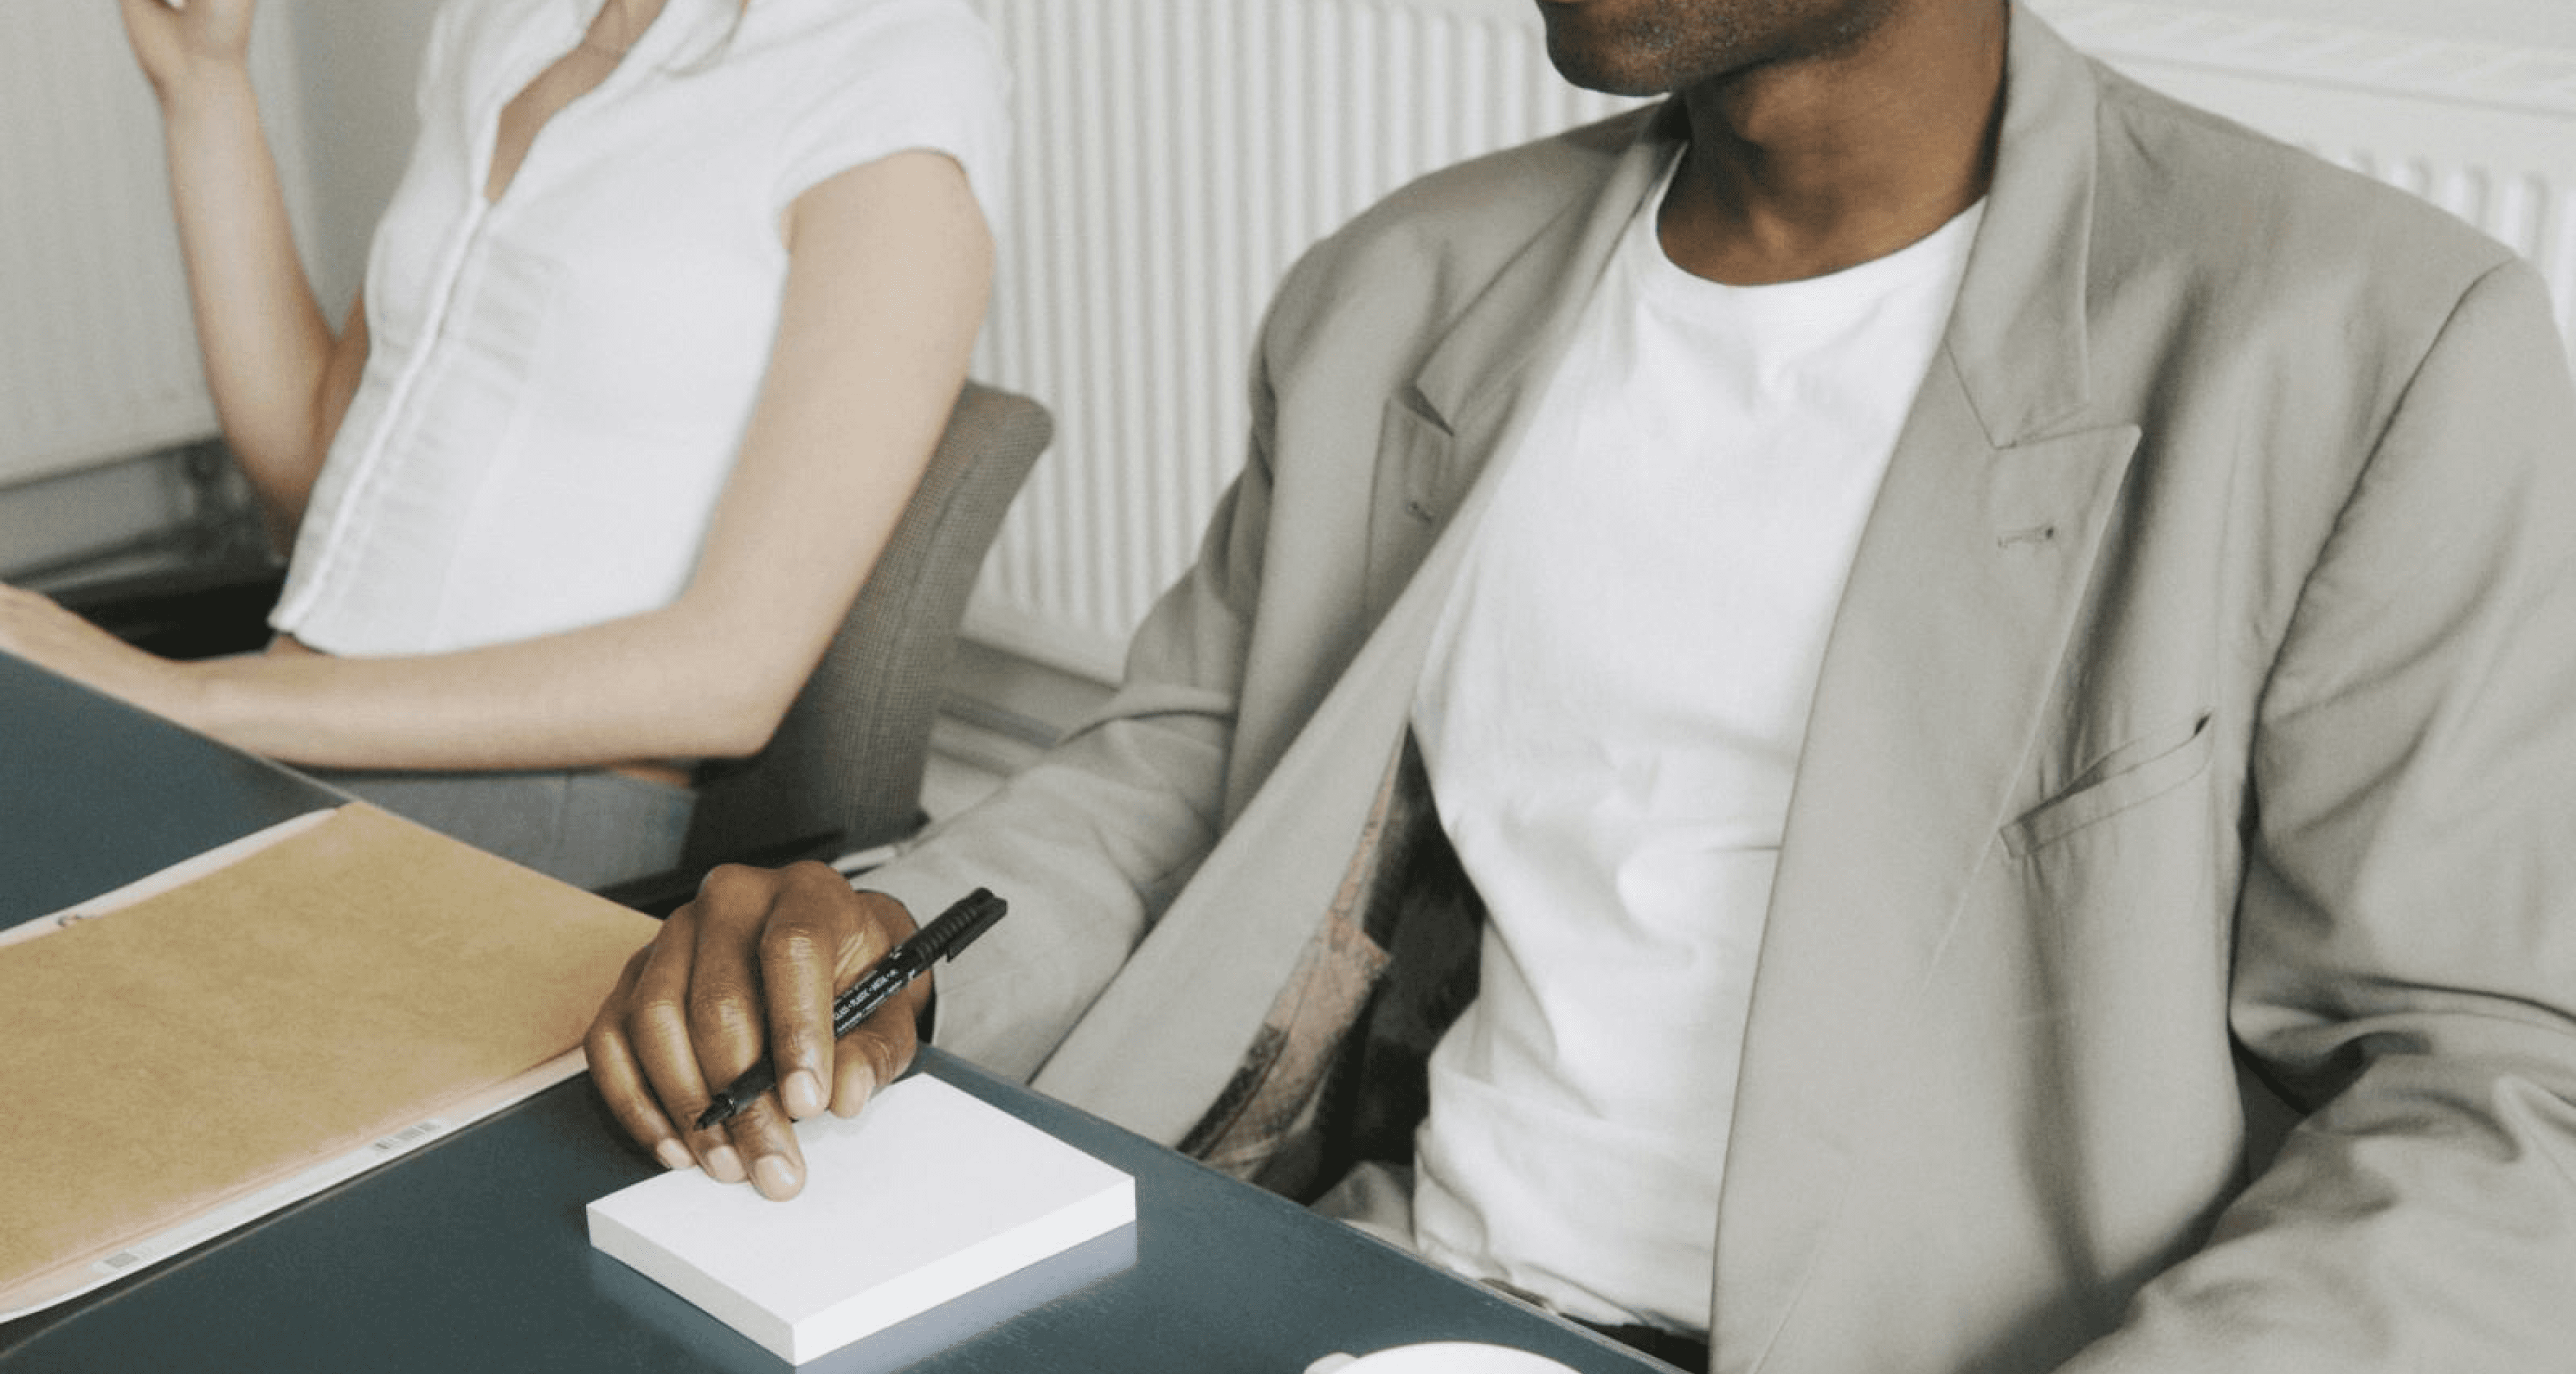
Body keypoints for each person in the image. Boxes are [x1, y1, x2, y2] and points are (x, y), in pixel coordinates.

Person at [586, 0, 2576, 1368]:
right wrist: (882, 945)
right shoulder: (1405, 289)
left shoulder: (2360, 344)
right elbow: (1188, 768)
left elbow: (2493, 1091)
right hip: (1360, 1285)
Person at [0, 0, 1004, 888]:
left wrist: (174, 694)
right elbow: (320, 469)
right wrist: (203, 87)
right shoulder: (505, 23)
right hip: (281, 730)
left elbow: (728, 677)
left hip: (523, 812)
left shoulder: (892, 69)